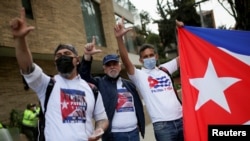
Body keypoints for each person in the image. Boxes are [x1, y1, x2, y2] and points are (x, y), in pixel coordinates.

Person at [9, 7, 109, 141]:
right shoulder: (47, 85)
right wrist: (20, 40)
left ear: (77, 60)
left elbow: (102, 118)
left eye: (67, 54)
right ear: (55, 63)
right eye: (58, 56)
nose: (63, 57)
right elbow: (27, 67)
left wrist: (99, 129)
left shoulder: (92, 89)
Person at [114, 17, 184, 141]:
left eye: (151, 55)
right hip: (162, 126)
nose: (149, 58)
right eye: (145, 57)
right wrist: (119, 38)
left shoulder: (165, 69)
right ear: (141, 60)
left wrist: (179, 32)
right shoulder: (139, 75)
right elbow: (126, 61)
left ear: (156, 56)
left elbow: (183, 56)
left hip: (182, 119)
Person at [79, 37, 145, 141]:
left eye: (114, 64)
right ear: (104, 69)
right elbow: (84, 77)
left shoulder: (129, 85)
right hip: (113, 136)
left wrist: (139, 126)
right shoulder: (99, 83)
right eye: (108, 65)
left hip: (133, 134)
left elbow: (137, 105)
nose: (112, 67)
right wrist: (87, 56)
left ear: (119, 66)